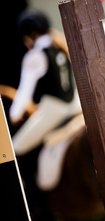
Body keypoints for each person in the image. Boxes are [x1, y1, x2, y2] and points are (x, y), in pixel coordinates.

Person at [5, 9, 80, 158]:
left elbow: (24, 93)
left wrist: (14, 114)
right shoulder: (61, 46)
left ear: (29, 36)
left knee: (14, 149)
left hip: (54, 112)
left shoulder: (34, 56)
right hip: (75, 106)